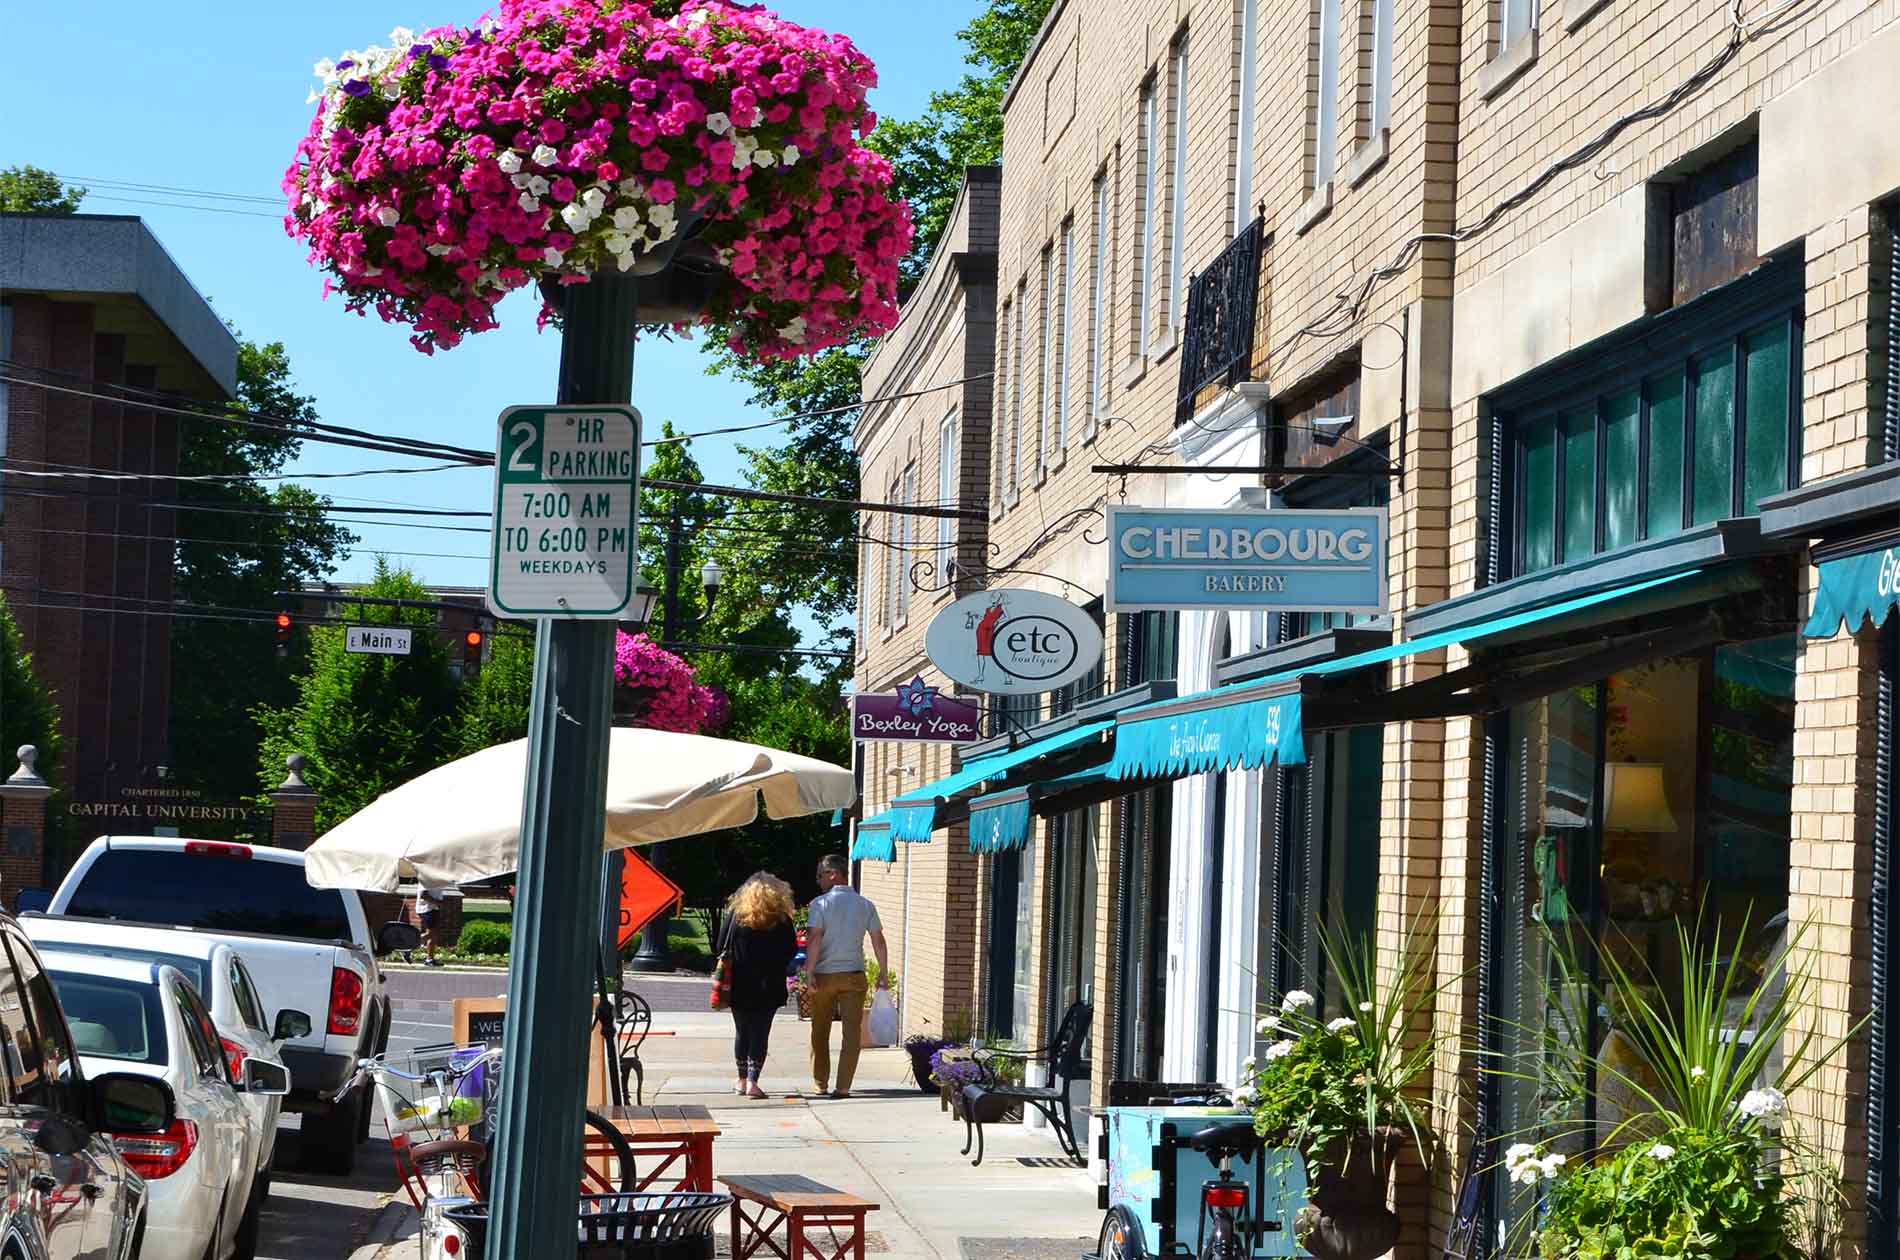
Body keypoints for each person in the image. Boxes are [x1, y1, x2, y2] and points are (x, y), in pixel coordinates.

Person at [802, 854, 889, 1100]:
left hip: (824, 976)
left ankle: (820, 1083)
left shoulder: (820, 904)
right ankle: (843, 1087)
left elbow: (815, 938)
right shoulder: (865, 904)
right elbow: (878, 941)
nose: (818, 881)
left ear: (833, 874)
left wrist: (809, 973)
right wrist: (882, 973)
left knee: (820, 1030)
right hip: (853, 976)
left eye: (821, 875)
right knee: (851, 1034)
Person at [719, 872, 798, 1098]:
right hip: (769, 983)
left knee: (742, 1031)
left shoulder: (736, 915)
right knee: (760, 1033)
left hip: (739, 982)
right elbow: (791, 951)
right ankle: (754, 1082)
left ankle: (741, 1079)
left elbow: (720, 944)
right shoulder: (781, 918)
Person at [416, 888, 445, 967]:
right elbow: (424, 895)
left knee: (433, 935)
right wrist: (437, 902)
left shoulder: (433, 878)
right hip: (427, 909)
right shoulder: (426, 878)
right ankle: (408, 945)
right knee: (431, 934)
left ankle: (429, 960)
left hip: (433, 908)